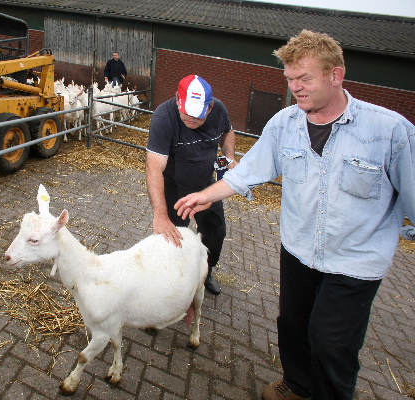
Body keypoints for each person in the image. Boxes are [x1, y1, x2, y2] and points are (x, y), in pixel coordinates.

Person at [174, 30, 415, 400]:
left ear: (336, 75)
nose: (296, 88)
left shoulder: (389, 131)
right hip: (299, 250)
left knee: (331, 343)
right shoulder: (285, 124)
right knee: (292, 326)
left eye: (305, 78)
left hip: (354, 262)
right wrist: (206, 196)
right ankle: (297, 386)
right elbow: (248, 170)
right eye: (290, 79)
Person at [146, 74, 237, 295]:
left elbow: (227, 132)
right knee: (172, 237)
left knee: (216, 231)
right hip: (174, 189)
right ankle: (170, 281)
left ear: (210, 107)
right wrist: (160, 214)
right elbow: (154, 168)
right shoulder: (164, 118)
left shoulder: (219, 111)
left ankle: (206, 271)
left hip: (206, 187)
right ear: (178, 99)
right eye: (187, 112)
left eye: (198, 115)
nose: (192, 120)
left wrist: (230, 157)